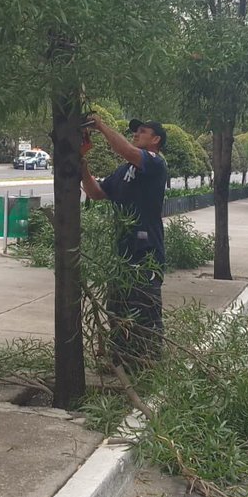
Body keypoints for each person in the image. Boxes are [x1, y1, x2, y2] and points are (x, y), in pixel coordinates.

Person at [80, 117, 168, 370]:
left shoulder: (155, 163)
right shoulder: (123, 171)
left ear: (156, 140)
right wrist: (82, 166)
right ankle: (121, 362)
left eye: (143, 131)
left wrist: (100, 125)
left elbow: (126, 150)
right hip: (122, 254)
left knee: (145, 311)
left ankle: (149, 364)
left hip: (146, 252)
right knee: (118, 311)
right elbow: (97, 193)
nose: (137, 134)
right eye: (136, 132)